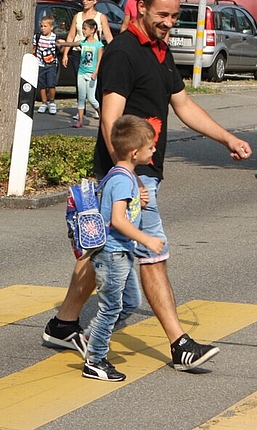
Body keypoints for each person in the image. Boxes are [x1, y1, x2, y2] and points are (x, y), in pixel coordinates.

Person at [43, 0, 253, 372]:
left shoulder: (160, 50)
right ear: (140, 8)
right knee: (154, 253)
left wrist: (227, 137)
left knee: (105, 250)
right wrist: (127, 175)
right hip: (128, 176)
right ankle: (179, 344)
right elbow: (109, 118)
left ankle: (63, 323)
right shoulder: (123, 53)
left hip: (139, 174)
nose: (169, 23)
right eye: (162, 15)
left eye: (174, 16)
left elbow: (183, 104)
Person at [81, 115, 165, 382]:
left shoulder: (124, 177)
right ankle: (95, 360)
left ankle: (92, 336)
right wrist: (147, 240)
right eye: (151, 147)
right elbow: (117, 220)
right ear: (135, 152)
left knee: (129, 303)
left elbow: (122, 209)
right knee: (110, 308)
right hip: (113, 254)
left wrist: (137, 200)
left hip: (122, 253)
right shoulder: (121, 180)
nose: (154, 150)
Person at [61, 0, 114, 122]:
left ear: (95, 1)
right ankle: (81, 112)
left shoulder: (100, 17)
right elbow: (71, 35)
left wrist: (115, 52)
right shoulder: (77, 16)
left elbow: (108, 36)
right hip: (78, 52)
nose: (84, 1)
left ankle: (98, 109)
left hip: (94, 53)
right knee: (79, 84)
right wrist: (66, 53)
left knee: (94, 82)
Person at [57, 19, 103, 129]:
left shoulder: (98, 45)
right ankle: (80, 120)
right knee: (81, 97)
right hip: (81, 73)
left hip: (91, 74)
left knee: (91, 98)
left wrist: (95, 72)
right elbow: (72, 43)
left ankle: (102, 116)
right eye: (82, 28)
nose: (83, 31)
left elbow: (100, 61)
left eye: (85, 29)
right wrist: (61, 43)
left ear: (93, 30)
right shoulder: (83, 42)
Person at [33, 16, 59, 115]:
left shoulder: (54, 37)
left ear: (51, 27)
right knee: (42, 85)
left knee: (51, 84)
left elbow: (58, 48)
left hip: (51, 64)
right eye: (41, 26)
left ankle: (52, 102)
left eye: (45, 26)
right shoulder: (38, 37)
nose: (43, 28)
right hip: (40, 64)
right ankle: (44, 102)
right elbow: (34, 48)